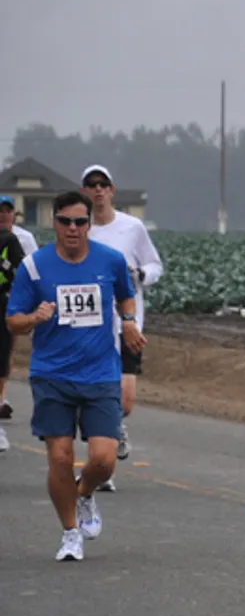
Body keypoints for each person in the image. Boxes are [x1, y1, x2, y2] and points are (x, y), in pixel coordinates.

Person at [3, 191, 141, 560]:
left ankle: (84, 495)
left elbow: (126, 296)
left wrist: (128, 322)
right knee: (61, 459)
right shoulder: (34, 266)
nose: (73, 228)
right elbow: (13, 320)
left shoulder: (111, 261)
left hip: (100, 373)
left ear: (89, 224)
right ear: (55, 223)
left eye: (81, 222)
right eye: (65, 221)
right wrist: (34, 318)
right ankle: (70, 534)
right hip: (52, 374)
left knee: (103, 460)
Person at [78, 166, 162, 462]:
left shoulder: (132, 227)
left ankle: (114, 426)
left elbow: (155, 266)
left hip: (127, 323)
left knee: (125, 401)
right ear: (84, 191)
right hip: (90, 325)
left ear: (112, 190)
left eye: (103, 184)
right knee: (97, 393)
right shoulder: (80, 229)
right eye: (92, 184)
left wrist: (139, 274)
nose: (98, 189)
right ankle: (102, 460)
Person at [0, 194, 37, 445]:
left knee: (5, 353)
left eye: (7, 210)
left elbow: (31, 270)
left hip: (8, 303)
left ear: (14, 214)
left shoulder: (20, 239)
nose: (3, 214)